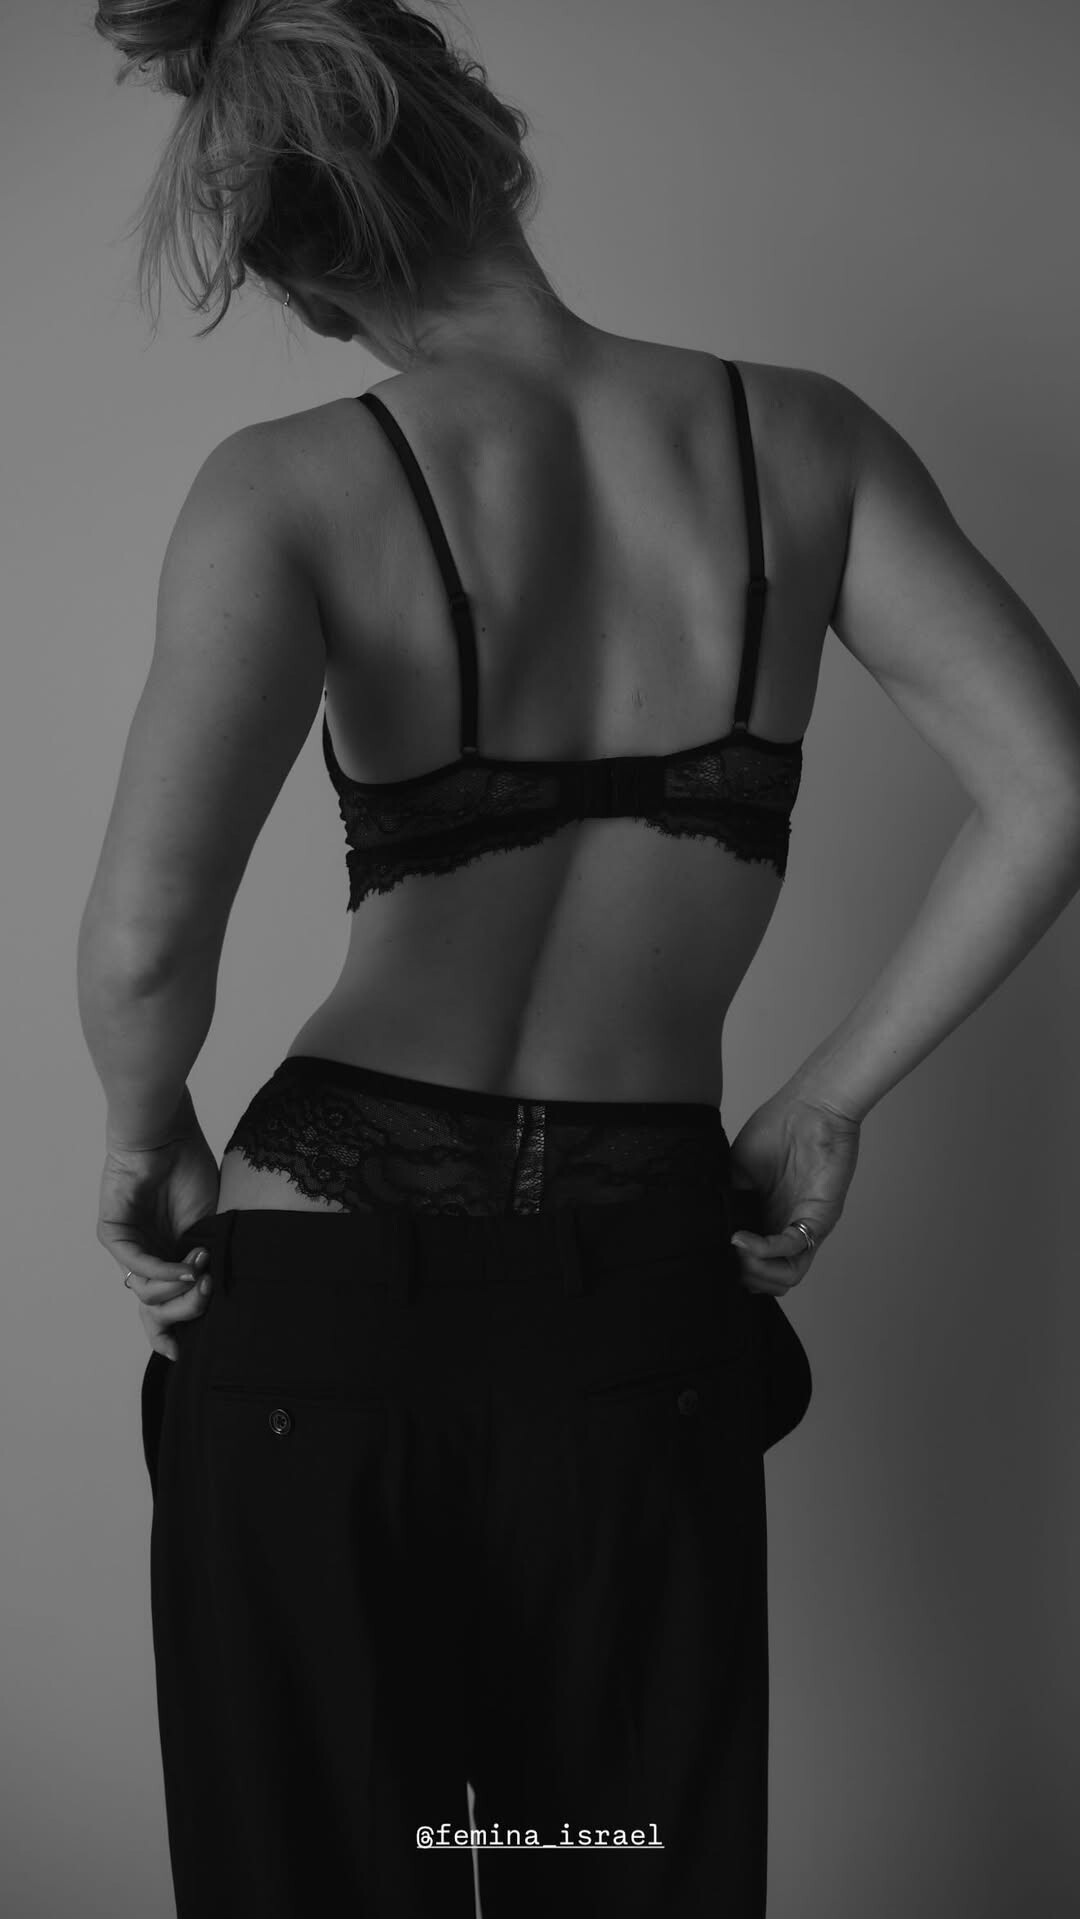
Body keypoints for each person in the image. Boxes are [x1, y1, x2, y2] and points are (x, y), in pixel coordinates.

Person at [77, 3, 1080, 1915]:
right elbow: (1055, 788)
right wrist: (825, 1101)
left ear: (303, 275)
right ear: (490, 146)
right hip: (638, 1295)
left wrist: (146, 1139)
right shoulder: (804, 440)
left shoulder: (290, 485)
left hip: (319, 1315)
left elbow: (141, 946)